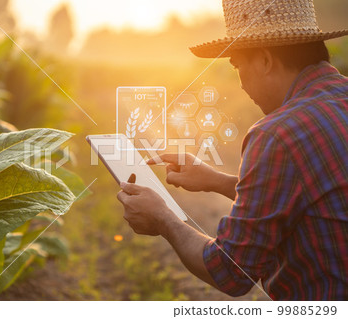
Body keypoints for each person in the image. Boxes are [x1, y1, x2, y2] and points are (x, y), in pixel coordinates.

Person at [117, 0, 348, 300]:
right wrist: (217, 180)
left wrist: (164, 218)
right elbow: (321, 197)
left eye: (238, 66)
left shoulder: (277, 135)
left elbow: (230, 272)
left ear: (265, 60)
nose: (240, 84)